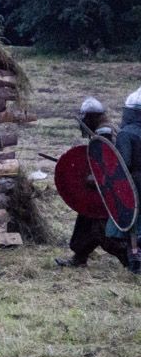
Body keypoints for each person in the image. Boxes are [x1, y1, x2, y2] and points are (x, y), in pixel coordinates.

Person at [55, 97, 129, 268]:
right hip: (100, 192)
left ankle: (131, 262)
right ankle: (79, 258)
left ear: (91, 117)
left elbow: (107, 166)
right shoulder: (106, 129)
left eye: (85, 118)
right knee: (85, 219)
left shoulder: (104, 133)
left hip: (107, 191)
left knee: (101, 231)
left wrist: (93, 179)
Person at [109, 87, 141, 274]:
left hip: (135, 182)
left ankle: (135, 261)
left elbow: (123, 164)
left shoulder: (126, 134)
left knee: (131, 222)